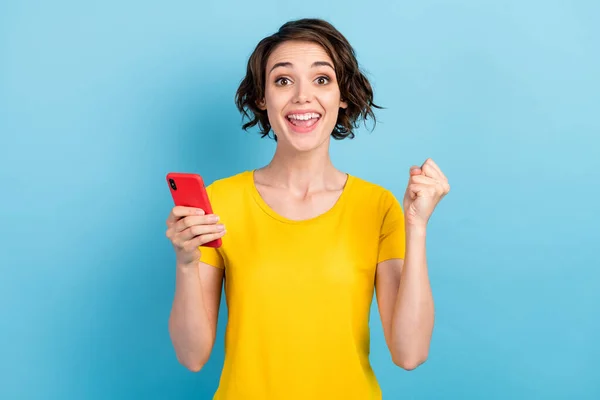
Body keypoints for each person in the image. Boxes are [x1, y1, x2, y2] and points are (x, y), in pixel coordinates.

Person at [165, 18, 450, 400]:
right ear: (262, 98)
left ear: (343, 95)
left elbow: (410, 353)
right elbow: (192, 356)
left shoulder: (378, 207)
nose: (302, 96)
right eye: (283, 80)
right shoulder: (220, 202)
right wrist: (185, 264)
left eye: (321, 79)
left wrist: (416, 226)